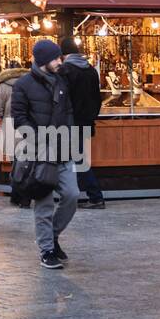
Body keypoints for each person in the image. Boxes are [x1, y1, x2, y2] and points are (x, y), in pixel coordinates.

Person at [11, 39, 78, 270]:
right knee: (44, 203)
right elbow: (18, 117)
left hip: (64, 150)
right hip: (38, 153)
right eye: (56, 58)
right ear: (43, 61)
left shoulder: (62, 81)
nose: (60, 61)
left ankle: (53, 235)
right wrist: (38, 141)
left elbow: (68, 112)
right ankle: (47, 249)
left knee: (72, 195)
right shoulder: (22, 84)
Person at [58, 36, 105, 210]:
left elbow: (62, 99)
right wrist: (92, 117)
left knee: (76, 159)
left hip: (71, 122)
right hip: (87, 121)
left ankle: (95, 196)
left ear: (63, 54)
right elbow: (97, 98)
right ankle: (77, 193)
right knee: (76, 158)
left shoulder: (66, 71)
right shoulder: (91, 70)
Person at [0, 59, 30, 207]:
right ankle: (24, 195)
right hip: (28, 126)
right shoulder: (30, 83)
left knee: (15, 161)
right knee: (27, 161)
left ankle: (16, 194)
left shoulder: (3, 85)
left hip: (10, 126)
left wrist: (0, 117)